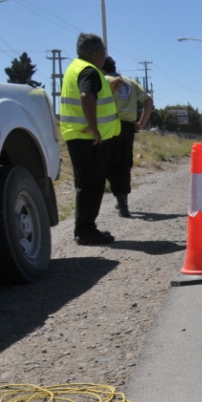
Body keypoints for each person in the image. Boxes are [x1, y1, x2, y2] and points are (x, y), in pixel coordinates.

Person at [60, 33, 120, 245]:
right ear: (97, 52)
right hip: (88, 137)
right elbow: (86, 96)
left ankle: (84, 228)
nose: (104, 55)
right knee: (91, 185)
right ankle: (86, 231)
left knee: (85, 183)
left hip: (76, 135)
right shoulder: (89, 70)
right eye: (103, 51)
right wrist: (94, 128)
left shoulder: (74, 67)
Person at [102, 57, 153, 217]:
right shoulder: (130, 82)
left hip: (110, 126)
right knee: (125, 163)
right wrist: (141, 122)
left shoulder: (104, 81)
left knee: (111, 163)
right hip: (128, 126)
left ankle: (121, 201)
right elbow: (148, 101)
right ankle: (123, 198)